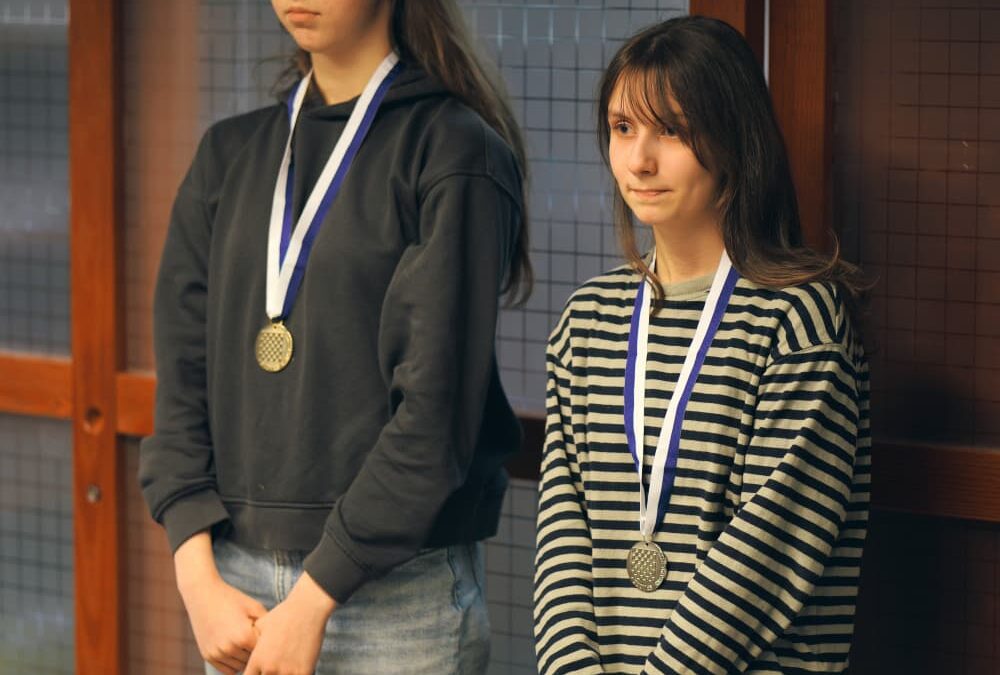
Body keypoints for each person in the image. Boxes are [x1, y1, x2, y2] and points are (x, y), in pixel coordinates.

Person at [139, 1, 530, 673]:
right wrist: (197, 579)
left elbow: (434, 417)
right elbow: (181, 386)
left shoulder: (452, 150)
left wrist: (312, 601)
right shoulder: (226, 156)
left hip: (398, 603)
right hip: (233, 591)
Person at [533, 15, 870, 675]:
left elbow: (766, 557)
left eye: (672, 130)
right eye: (622, 127)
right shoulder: (586, 320)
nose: (639, 160)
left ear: (733, 137)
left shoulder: (799, 321)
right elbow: (561, 532)